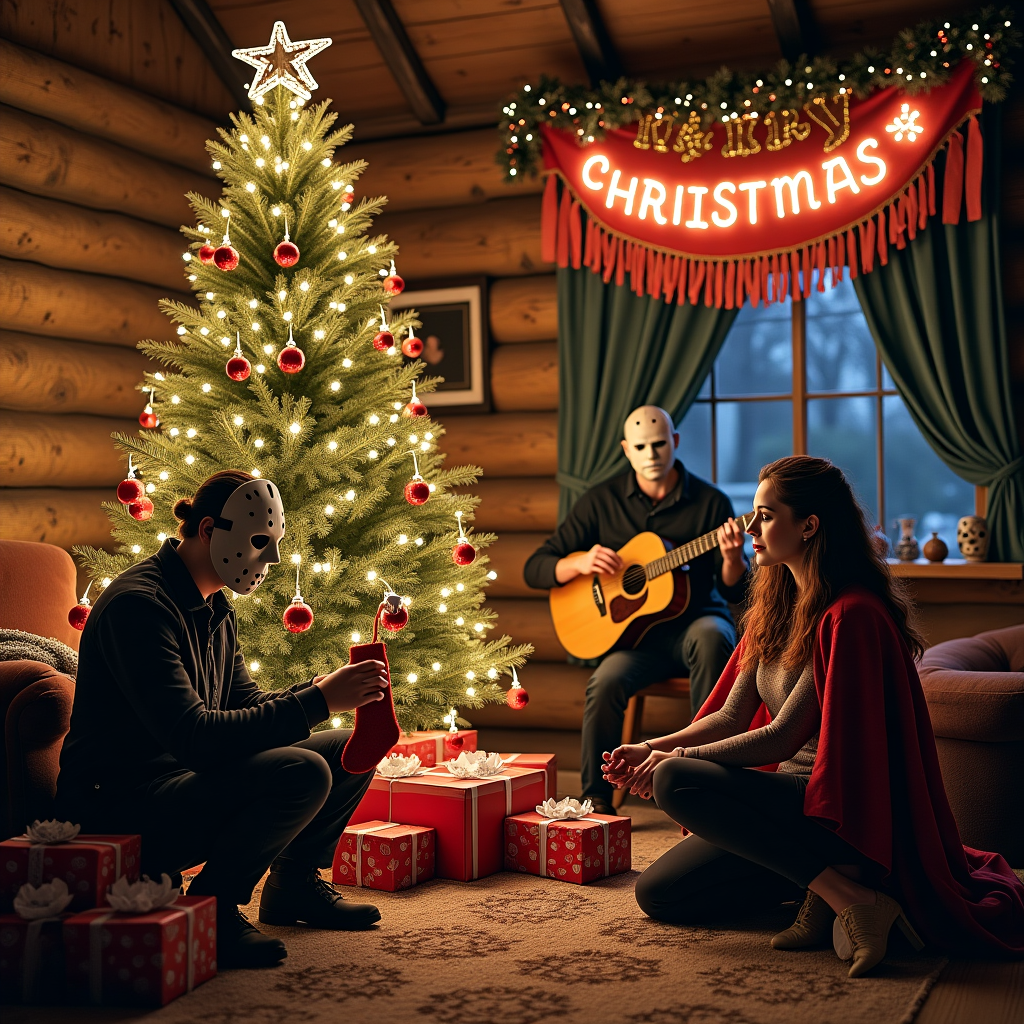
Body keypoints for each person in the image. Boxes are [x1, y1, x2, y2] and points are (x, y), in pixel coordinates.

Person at [604, 456, 1024, 975]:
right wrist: (651, 747)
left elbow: (782, 738)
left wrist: (673, 761)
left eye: (765, 516)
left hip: (836, 810)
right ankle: (830, 889)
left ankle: (847, 894)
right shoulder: (774, 608)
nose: (750, 529)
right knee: (660, 894)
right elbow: (732, 716)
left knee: (676, 779)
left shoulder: (851, 614)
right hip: (787, 810)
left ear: (809, 525)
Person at [56, 470, 391, 970]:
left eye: (276, 544)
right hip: (120, 807)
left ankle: (294, 885)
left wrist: (320, 691)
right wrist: (317, 700)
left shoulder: (213, 605)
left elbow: (242, 703)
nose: (271, 560)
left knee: (348, 749)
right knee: (302, 772)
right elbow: (195, 738)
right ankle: (211, 907)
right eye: (260, 542)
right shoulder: (139, 607)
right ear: (209, 529)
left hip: (182, 780)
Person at [524, 405, 748, 815]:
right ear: (627, 450)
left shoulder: (710, 502)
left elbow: (736, 590)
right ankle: (597, 798)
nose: (651, 454)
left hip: (696, 622)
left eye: (659, 444)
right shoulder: (601, 501)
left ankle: (705, 785)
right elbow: (535, 567)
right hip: (636, 639)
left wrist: (733, 558)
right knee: (604, 682)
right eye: (641, 447)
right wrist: (580, 563)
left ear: (674, 442)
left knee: (713, 636)